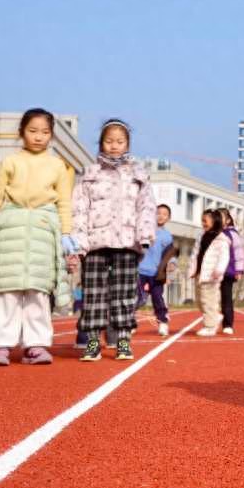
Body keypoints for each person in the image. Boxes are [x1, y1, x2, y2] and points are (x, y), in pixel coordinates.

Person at [0, 109, 74, 364]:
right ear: (22, 132)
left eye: (45, 132)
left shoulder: (58, 166)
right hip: (10, 229)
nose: (39, 137)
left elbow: (65, 204)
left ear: (52, 136)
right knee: (5, 291)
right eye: (33, 131)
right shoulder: (9, 162)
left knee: (38, 292)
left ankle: (36, 345)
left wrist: (66, 233)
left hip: (43, 232)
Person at [70, 119, 157, 361]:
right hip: (95, 243)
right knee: (93, 294)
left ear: (127, 144)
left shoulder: (138, 175)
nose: (114, 146)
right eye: (109, 141)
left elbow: (146, 207)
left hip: (127, 243)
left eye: (120, 141)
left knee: (124, 293)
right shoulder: (90, 174)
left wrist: (145, 235)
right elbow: (79, 209)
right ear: (101, 143)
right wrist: (78, 241)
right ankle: (93, 342)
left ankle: (123, 340)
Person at [137, 203, 177, 336]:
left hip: (157, 274)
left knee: (157, 298)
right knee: (137, 299)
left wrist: (170, 272)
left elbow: (170, 256)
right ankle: (129, 323)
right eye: (158, 213)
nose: (161, 216)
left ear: (168, 218)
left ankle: (163, 322)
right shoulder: (144, 230)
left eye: (164, 214)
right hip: (140, 271)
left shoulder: (167, 236)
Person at [194, 210, 229, 335]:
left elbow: (224, 257)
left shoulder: (221, 240)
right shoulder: (201, 236)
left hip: (211, 275)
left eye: (205, 221)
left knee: (208, 300)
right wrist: (192, 269)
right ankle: (215, 316)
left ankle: (210, 327)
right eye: (202, 220)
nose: (203, 223)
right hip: (199, 274)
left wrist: (219, 270)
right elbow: (195, 254)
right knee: (199, 301)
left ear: (215, 221)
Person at [219, 208, 244, 335]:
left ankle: (228, 324)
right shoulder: (211, 234)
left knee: (226, 299)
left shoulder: (232, 234)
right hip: (212, 272)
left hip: (227, 271)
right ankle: (211, 321)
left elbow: (239, 252)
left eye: (220, 217)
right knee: (211, 298)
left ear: (228, 220)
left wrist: (239, 270)